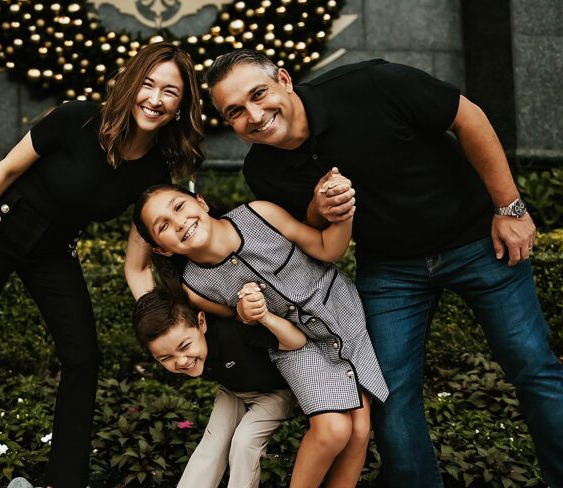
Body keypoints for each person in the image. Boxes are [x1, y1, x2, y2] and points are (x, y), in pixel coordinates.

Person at [205, 49, 563, 486]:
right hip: (391, 269)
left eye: (259, 94)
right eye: (236, 112)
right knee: (389, 393)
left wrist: (509, 208)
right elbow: (314, 242)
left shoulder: (371, 86)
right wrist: (318, 210)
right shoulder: (262, 170)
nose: (255, 116)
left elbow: (468, 118)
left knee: (532, 366)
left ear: (283, 79)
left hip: (477, 240)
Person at [0, 41, 206, 487]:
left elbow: (136, 263)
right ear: (130, 84)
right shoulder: (76, 119)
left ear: (181, 105)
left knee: (83, 356)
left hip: (52, 253)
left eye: (170, 92)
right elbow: (5, 170)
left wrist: (164, 326)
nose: (155, 99)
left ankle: (67, 479)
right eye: (148, 84)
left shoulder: (156, 170)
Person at [133, 183, 388, 487]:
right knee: (332, 429)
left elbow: (326, 248)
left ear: (200, 202)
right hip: (293, 343)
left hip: (340, 315)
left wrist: (343, 214)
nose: (178, 222)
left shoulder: (259, 215)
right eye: (163, 226)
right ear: (162, 249)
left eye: (178, 207)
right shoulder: (195, 287)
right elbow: (238, 325)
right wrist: (245, 311)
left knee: (360, 429)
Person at [133, 286, 296, 487]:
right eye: (166, 358)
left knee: (244, 443)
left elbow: (293, 342)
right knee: (212, 445)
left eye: (184, 347)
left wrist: (264, 317)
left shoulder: (233, 333)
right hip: (233, 390)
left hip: (273, 392)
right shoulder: (194, 345)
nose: (182, 361)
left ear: (202, 323)